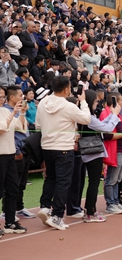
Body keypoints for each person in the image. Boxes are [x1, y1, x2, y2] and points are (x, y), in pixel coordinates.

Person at [36, 75, 91, 230]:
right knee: (63, 181)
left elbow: (38, 125)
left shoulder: (43, 103)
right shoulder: (69, 106)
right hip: (64, 148)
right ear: (67, 89)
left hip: (47, 146)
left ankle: (45, 206)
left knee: (51, 178)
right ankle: (57, 215)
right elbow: (86, 119)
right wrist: (84, 101)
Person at [79, 90, 122, 222]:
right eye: (96, 101)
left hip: (92, 152)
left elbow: (103, 125)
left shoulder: (88, 117)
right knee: (94, 183)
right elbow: (106, 128)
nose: (98, 103)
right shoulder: (89, 118)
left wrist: (113, 115)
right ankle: (90, 212)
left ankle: (90, 210)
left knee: (94, 182)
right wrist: (114, 115)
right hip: (93, 152)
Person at [0, 86, 28, 235]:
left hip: (10, 154)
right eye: (0, 97)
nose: (2, 99)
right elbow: (3, 128)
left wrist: (21, 112)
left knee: (12, 189)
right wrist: (13, 114)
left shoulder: (5, 110)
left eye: (3, 97)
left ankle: (10, 222)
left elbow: (20, 127)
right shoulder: (6, 112)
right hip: (0, 155)